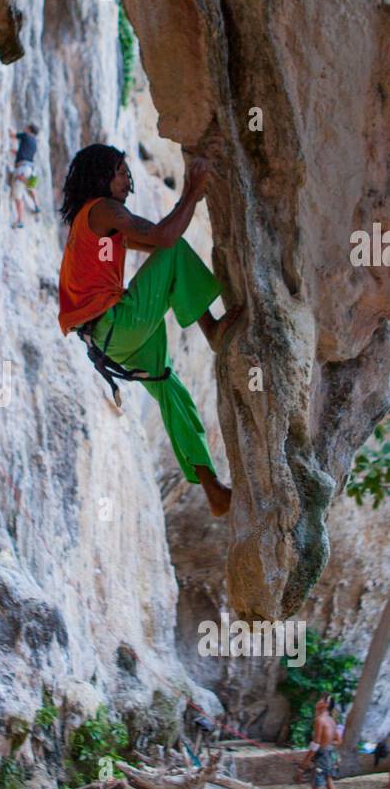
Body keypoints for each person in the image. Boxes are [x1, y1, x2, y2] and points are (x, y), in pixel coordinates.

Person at [58, 142, 240, 516]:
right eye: (121, 171)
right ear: (102, 175)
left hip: (108, 341)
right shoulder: (104, 209)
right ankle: (214, 332)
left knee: (171, 391)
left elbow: (152, 237)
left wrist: (189, 201)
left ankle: (213, 491)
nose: (128, 179)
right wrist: (193, 189)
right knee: (172, 253)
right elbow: (166, 240)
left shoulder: (95, 224)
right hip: (115, 324)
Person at [297, 693, 341, 789]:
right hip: (330, 753)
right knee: (329, 779)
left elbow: (316, 743)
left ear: (326, 704)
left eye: (320, 700)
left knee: (316, 783)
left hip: (322, 754)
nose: (317, 702)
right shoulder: (331, 720)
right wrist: (328, 746)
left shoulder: (319, 720)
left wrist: (304, 763)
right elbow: (338, 741)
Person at [9, 123, 41, 227]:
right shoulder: (35, 142)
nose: (24, 128)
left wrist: (9, 130)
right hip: (32, 170)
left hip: (22, 170)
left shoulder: (25, 135)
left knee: (18, 196)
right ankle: (36, 206)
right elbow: (24, 153)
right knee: (31, 187)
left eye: (26, 127)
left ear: (29, 130)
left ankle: (20, 221)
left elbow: (13, 135)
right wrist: (16, 153)